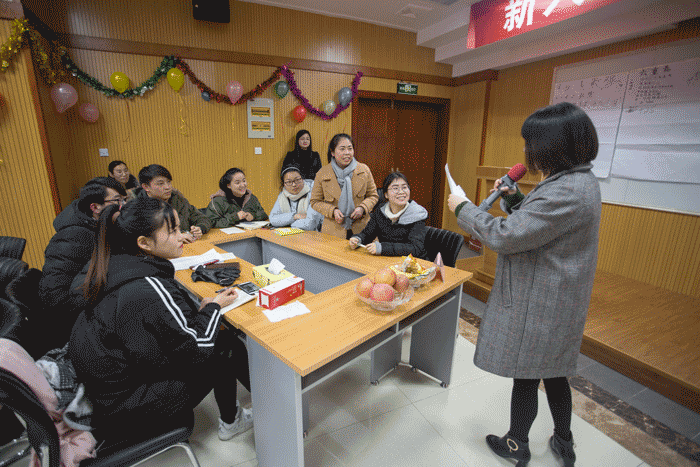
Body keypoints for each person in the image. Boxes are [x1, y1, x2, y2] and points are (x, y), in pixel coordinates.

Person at [448, 102, 600, 467]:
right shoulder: (578, 181)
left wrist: (463, 208)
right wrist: (516, 198)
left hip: (543, 303)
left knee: (526, 377)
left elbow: (505, 236)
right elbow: (539, 225)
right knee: (556, 374)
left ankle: (517, 444)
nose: (525, 150)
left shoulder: (566, 190)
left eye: (529, 142)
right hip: (559, 300)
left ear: (553, 145)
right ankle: (564, 441)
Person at [69, 197, 253, 443]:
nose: (181, 236)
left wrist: (200, 313)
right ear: (144, 242)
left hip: (109, 395)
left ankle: (250, 410)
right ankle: (246, 417)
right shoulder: (147, 287)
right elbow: (197, 348)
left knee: (216, 337)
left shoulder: (114, 265)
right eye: (173, 231)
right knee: (225, 347)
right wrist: (214, 307)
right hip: (128, 408)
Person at [37, 177, 127, 357]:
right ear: (95, 207)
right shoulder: (73, 237)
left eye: (124, 200)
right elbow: (54, 297)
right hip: (75, 325)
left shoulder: (99, 226)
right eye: (117, 201)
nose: (123, 206)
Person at [310, 133, 378, 239]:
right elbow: (315, 201)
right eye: (342, 149)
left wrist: (362, 208)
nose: (347, 153)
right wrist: (332, 211)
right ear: (332, 152)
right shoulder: (322, 173)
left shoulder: (364, 170)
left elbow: (373, 196)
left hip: (362, 229)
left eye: (350, 148)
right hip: (333, 230)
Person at [349, 172, 428, 259]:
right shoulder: (380, 211)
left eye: (404, 187)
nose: (401, 192)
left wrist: (383, 248)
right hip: (388, 260)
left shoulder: (416, 214)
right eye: (395, 188)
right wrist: (358, 239)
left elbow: (415, 249)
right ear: (386, 194)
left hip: (413, 263)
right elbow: (367, 234)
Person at [133, 164, 212, 243]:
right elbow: (141, 237)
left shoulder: (178, 200)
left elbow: (202, 218)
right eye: (160, 184)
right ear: (146, 187)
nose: (167, 187)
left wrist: (199, 228)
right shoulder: (136, 207)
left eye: (168, 182)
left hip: (187, 246)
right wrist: (176, 237)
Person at [269, 166, 323, 231]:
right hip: (293, 234)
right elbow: (272, 220)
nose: (294, 184)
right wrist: (294, 216)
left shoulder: (314, 193)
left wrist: (287, 224)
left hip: (317, 234)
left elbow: (310, 224)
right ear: (284, 184)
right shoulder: (282, 196)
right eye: (289, 182)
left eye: (297, 180)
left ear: (302, 179)